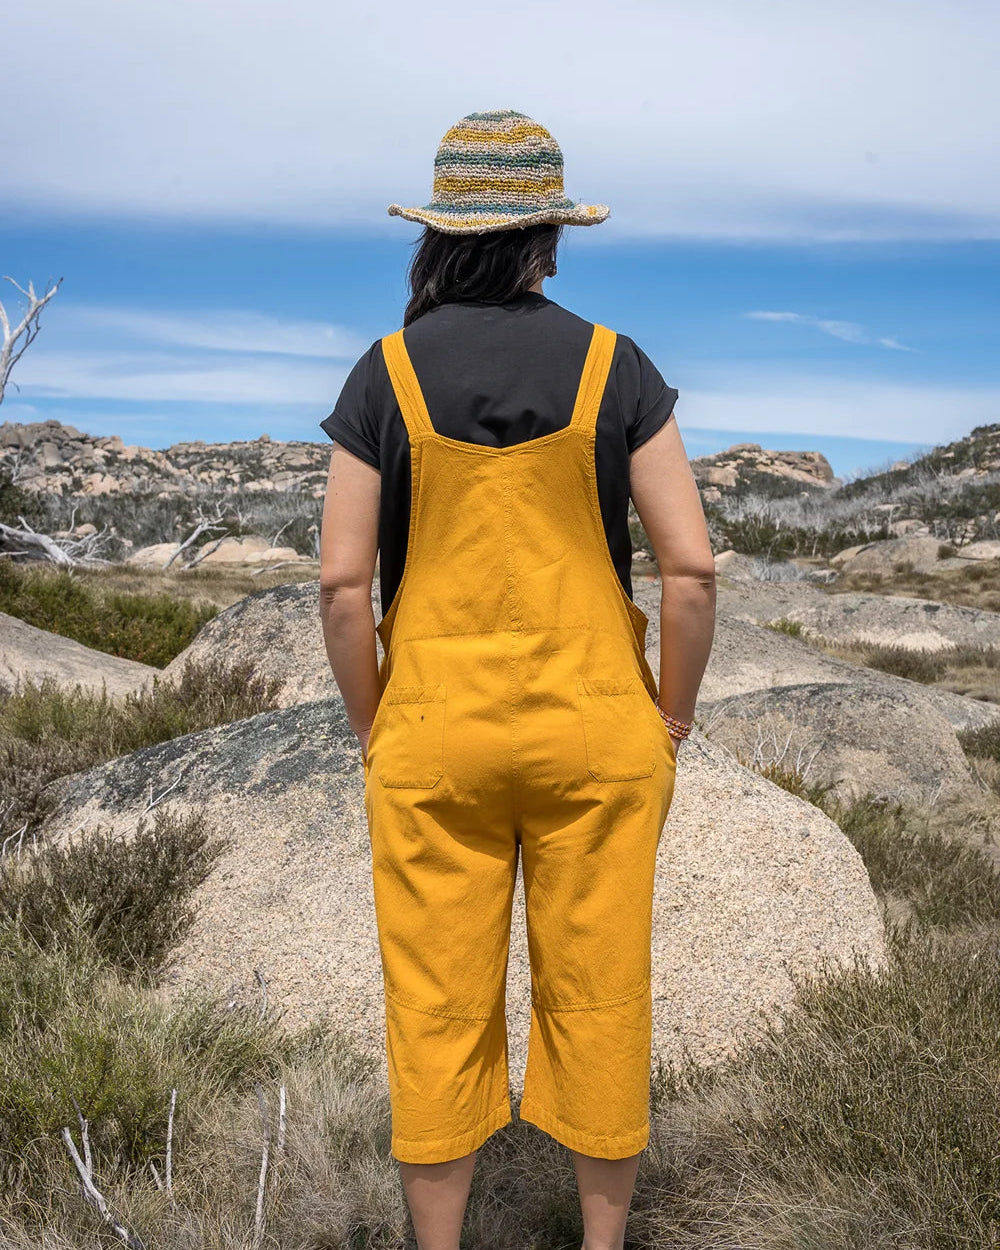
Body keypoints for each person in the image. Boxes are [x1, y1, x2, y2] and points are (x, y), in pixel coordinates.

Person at [318, 109, 716, 1250]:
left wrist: (373, 724)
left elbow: (344, 588)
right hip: (594, 728)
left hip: (434, 732)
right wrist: (672, 710)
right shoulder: (613, 364)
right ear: (547, 236)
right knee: (600, 987)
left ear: (440, 232)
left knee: (435, 997)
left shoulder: (385, 371)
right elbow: (688, 569)